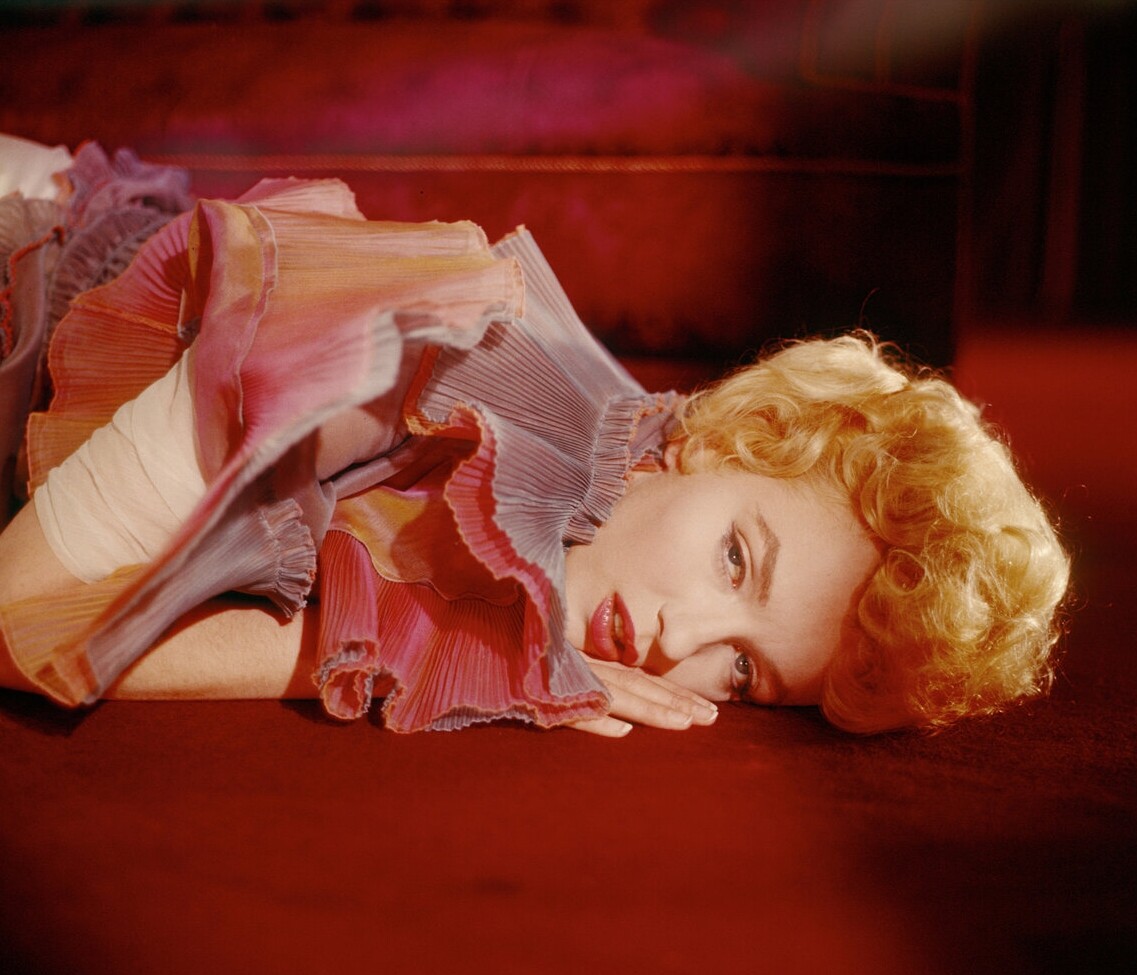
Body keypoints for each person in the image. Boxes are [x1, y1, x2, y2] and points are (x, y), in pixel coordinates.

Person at [0, 136, 1070, 736]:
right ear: (729, 437)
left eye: (743, 671)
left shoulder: (532, 590)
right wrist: (396, 647)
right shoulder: (432, 349)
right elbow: (18, 621)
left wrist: (476, 651)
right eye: (736, 559)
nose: (679, 644)